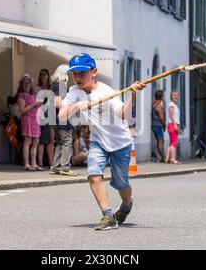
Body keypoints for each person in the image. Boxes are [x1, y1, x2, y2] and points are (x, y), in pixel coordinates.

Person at [58, 53, 146, 231]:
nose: (78, 77)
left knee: (121, 183)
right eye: (75, 74)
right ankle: (108, 216)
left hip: (120, 143)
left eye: (83, 73)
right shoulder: (74, 92)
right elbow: (61, 116)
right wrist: (75, 106)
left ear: (94, 72)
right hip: (98, 141)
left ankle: (127, 205)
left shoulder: (106, 92)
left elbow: (122, 114)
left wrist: (132, 95)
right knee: (93, 175)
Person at [50, 64, 76, 176]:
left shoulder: (54, 85)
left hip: (55, 119)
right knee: (67, 142)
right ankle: (65, 167)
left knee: (60, 143)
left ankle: (55, 167)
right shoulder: (60, 86)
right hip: (62, 119)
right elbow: (57, 103)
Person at [17, 74, 43, 171]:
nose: (27, 84)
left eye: (29, 82)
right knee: (27, 141)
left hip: (35, 119)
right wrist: (35, 104)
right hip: (27, 119)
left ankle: (34, 163)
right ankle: (26, 163)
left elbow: (36, 106)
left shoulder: (34, 95)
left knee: (35, 141)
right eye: (25, 82)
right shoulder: (21, 95)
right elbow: (23, 110)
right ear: (21, 84)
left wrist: (39, 105)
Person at [36, 69, 55, 169]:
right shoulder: (37, 88)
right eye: (41, 75)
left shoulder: (51, 88)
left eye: (44, 75)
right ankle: (40, 162)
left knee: (51, 139)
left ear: (48, 76)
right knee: (42, 140)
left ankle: (51, 162)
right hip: (42, 114)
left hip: (51, 114)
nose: (43, 76)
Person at [165, 90, 181, 164]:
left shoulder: (174, 105)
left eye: (177, 95)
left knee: (171, 142)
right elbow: (171, 115)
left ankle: (167, 158)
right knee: (174, 143)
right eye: (174, 95)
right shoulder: (171, 105)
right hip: (172, 124)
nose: (176, 97)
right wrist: (175, 125)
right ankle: (173, 159)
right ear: (171, 96)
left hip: (173, 124)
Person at [152, 90, 167, 163]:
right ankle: (164, 158)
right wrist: (164, 125)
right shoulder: (159, 106)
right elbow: (161, 117)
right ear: (161, 97)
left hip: (154, 125)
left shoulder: (154, 104)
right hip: (158, 125)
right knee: (161, 142)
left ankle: (162, 157)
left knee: (159, 141)